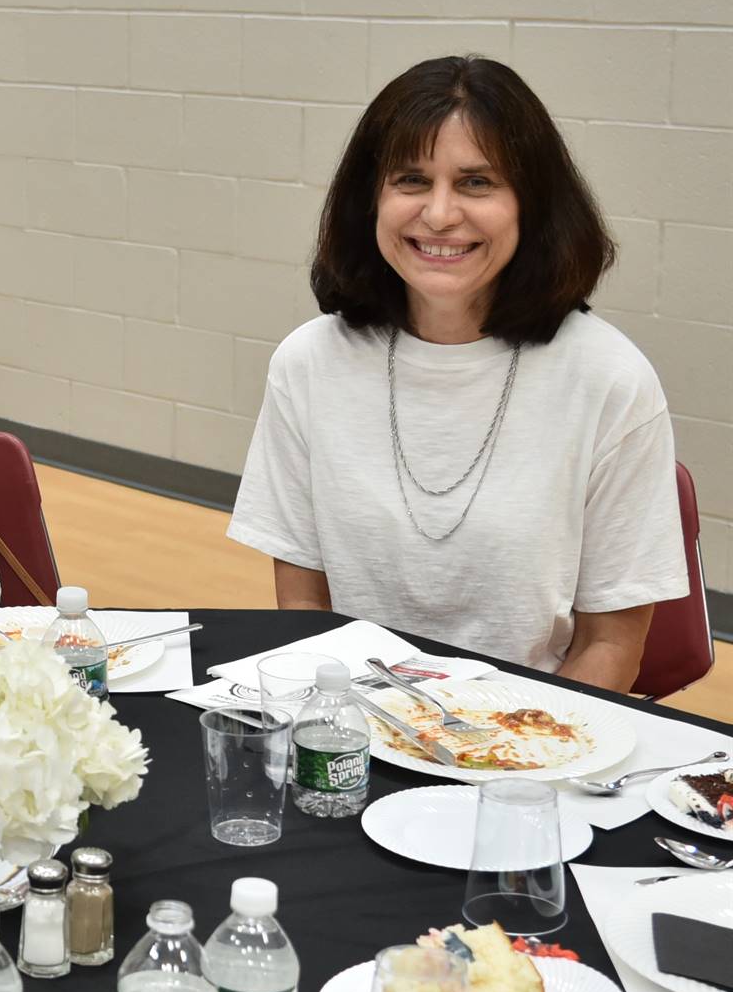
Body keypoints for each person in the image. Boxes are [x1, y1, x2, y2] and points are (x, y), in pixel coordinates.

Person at [228, 57, 688, 689]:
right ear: (371, 200)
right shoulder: (308, 364)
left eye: (476, 183)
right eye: (411, 179)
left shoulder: (610, 379)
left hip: (531, 739)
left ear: (533, 205)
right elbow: (306, 612)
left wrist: (511, 762)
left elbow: (610, 643)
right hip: (355, 731)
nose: (440, 215)